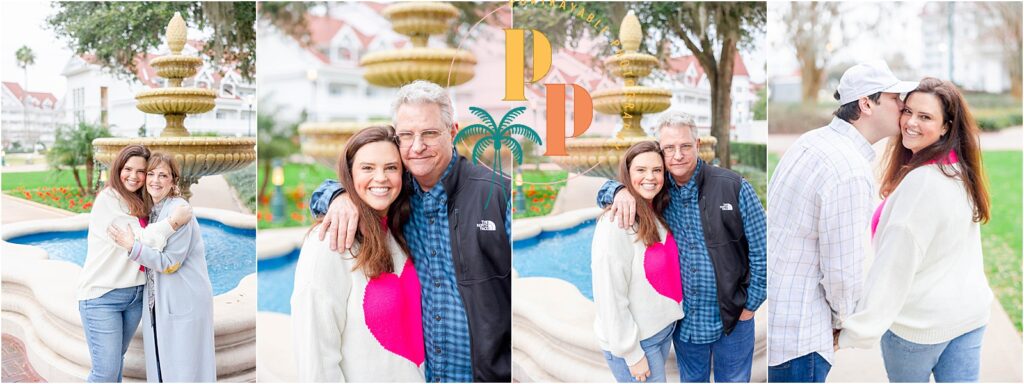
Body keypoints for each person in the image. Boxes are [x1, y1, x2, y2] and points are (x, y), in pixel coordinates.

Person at [309, 80, 511, 382]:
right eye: (406, 135)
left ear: (452, 131)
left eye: (429, 133)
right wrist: (336, 197)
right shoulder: (396, 196)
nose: (417, 147)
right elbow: (361, 178)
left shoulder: (497, 194)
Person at [765, 60, 917, 382]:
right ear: (866, 104)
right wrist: (842, 322)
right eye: (895, 98)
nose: (903, 106)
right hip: (802, 337)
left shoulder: (810, 141)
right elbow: (842, 274)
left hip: (780, 325)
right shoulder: (848, 170)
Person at [836, 78, 992, 382]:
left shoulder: (922, 183)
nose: (910, 122)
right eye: (907, 111)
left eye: (925, 117)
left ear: (946, 126)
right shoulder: (958, 169)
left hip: (919, 328)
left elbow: (893, 266)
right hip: (969, 315)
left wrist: (852, 332)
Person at [597, 110, 767, 382]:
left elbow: (763, 251)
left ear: (698, 146)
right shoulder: (658, 191)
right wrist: (618, 191)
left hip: (734, 319)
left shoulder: (733, 187)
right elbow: (630, 179)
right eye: (669, 148)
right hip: (687, 326)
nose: (677, 155)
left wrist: (751, 304)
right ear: (661, 151)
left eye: (685, 146)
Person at [290, 125, 425, 382]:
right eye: (367, 168)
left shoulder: (402, 233)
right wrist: (337, 196)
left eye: (391, 168)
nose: (381, 178)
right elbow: (315, 358)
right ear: (349, 175)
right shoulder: (329, 241)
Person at [108, 152, 216, 382]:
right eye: (151, 174)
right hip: (163, 299)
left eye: (163, 175)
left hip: (184, 298)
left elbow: (170, 263)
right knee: (166, 365)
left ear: (173, 181)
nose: (155, 180)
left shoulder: (180, 211)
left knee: (185, 368)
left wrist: (132, 247)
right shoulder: (155, 210)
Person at [591, 141, 684, 383]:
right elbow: (609, 294)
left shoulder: (655, 211)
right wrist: (631, 353)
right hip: (639, 343)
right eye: (641, 170)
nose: (650, 177)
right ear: (627, 174)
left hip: (660, 332)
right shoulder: (616, 223)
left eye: (657, 170)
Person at [77, 144, 151, 382]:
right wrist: (174, 224)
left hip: (135, 296)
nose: (134, 176)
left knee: (114, 365)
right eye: (128, 169)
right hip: (102, 297)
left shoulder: (144, 201)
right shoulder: (109, 200)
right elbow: (141, 240)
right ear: (118, 168)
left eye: (141, 171)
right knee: (105, 372)